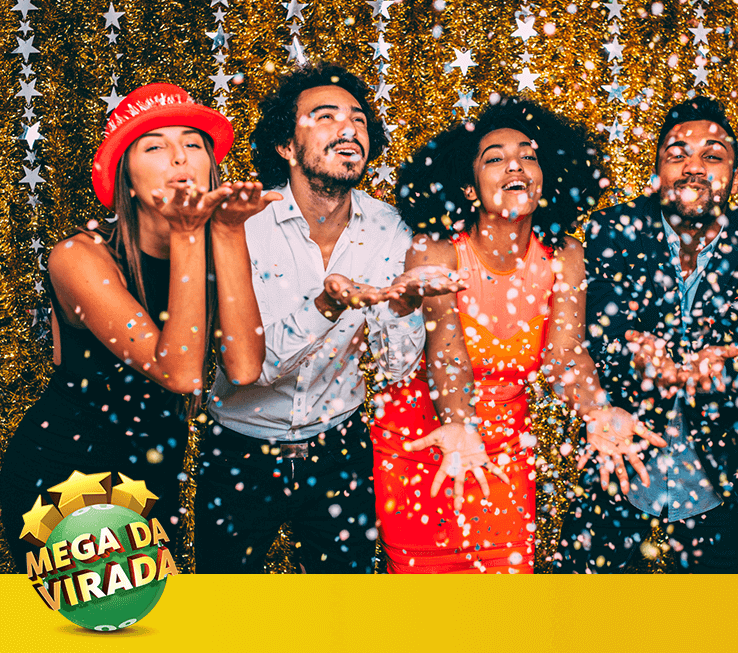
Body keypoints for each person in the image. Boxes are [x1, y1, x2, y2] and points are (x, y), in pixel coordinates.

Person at [371, 98, 665, 574]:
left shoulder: (566, 255)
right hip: (423, 445)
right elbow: (448, 355)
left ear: (544, 177)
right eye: (495, 157)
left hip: (506, 451)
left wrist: (596, 408)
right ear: (469, 188)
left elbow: (565, 356)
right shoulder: (436, 253)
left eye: (529, 156)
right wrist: (463, 428)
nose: (516, 164)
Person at [195, 63, 457, 573]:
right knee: (225, 611)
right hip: (239, 453)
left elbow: (397, 367)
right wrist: (327, 306)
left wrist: (403, 308)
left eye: (358, 119)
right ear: (286, 146)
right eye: (324, 116)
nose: (348, 128)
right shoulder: (242, 227)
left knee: (347, 617)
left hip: (339, 451)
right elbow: (254, 367)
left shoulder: (392, 229)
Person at [0, 83, 268, 571]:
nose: (179, 158)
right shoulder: (79, 256)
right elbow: (181, 374)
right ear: (126, 174)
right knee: (85, 640)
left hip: (150, 474)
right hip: (67, 471)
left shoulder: (214, 245)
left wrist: (228, 233)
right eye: (155, 146)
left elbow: (245, 367)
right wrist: (190, 233)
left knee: (146, 634)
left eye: (192, 143)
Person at [555, 96, 738, 573]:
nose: (693, 168)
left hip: (716, 475)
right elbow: (579, 336)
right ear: (657, 169)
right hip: (614, 458)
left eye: (712, 156)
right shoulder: (611, 231)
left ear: (735, 176)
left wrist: (728, 369)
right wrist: (628, 351)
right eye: (677, 154)